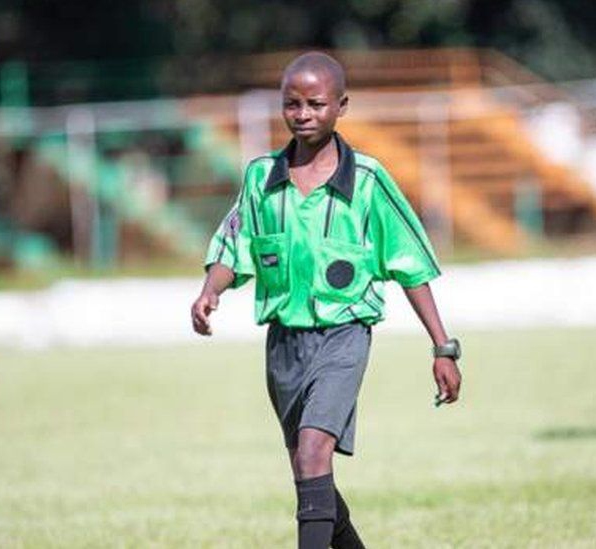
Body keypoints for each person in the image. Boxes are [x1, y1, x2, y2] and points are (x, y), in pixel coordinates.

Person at [190, 52, 462, 549]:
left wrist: (443, 347)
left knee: (315, 452)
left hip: (343, 337)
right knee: (308, 474)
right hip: (283, 346)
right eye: (291, 104)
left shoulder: (369, 182)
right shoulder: (261, 179)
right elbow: (236, 245)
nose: (303, 113)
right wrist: (211, 290)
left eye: (316, 103)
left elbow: (409, 265)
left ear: (341, 106)